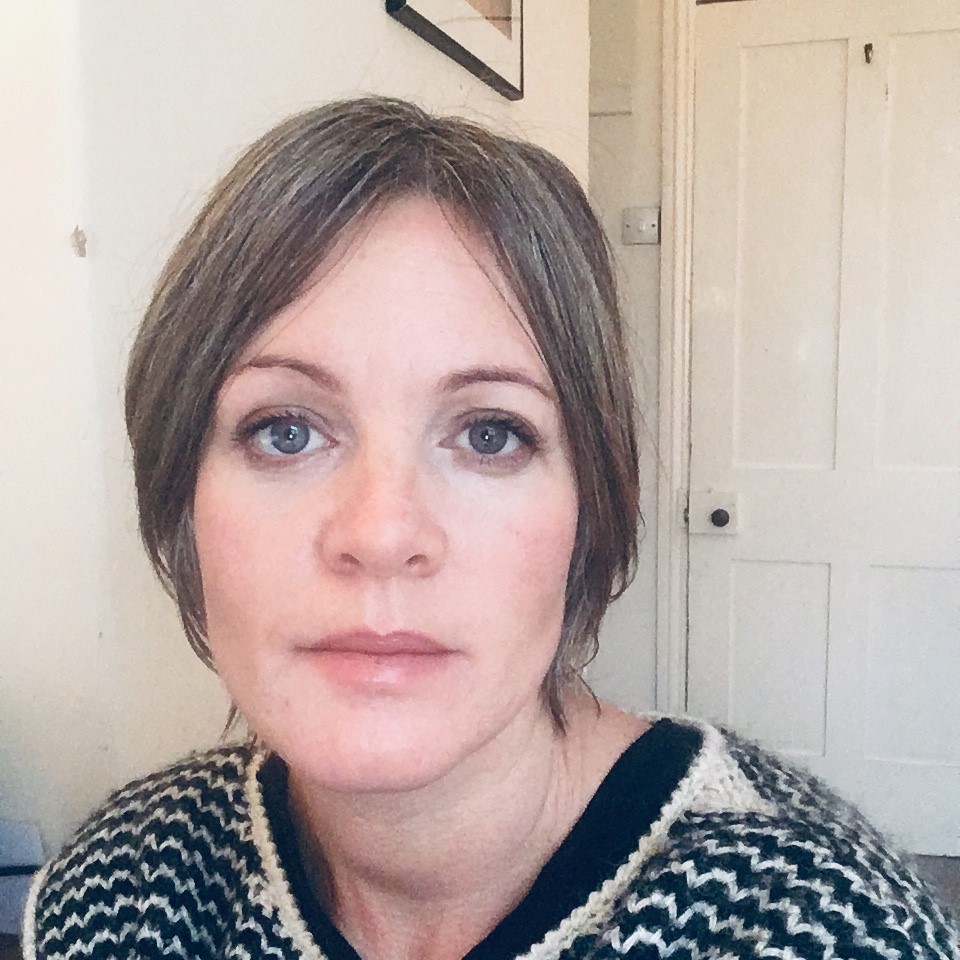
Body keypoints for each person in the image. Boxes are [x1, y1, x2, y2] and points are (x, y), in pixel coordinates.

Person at [23, 97, 958, 960]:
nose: (381, 534)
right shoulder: (122, 889)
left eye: (489, 435)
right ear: (179, 493)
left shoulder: (818, 927)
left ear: (592, 507)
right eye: (286, 431)